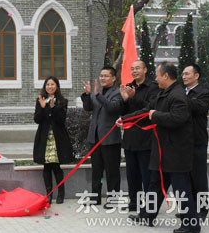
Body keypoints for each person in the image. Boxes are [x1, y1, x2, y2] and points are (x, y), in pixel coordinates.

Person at [126, 62, 200, 233]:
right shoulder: (163, 93)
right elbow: (146, 111)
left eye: (158, 75)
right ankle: (147, 216)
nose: (156, 78)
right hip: (163, 151)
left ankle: (192, 224)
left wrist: (156, 115)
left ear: (166, 76)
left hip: (176, 152)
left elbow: (178, 118)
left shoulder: (178, 95)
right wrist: (125, 119)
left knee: (181, 188)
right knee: (156, 186)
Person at [119, 60, 159, 212]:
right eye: (132, 68)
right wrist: (124, 99)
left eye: (137, 68)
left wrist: (134, 97)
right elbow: (124, 112)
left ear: (145, 69)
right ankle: (134, 202)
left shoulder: (153, 87)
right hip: (130, 138)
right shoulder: (130, 86)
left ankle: (149, 205)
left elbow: (149, 110)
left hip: (145, 138)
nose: (135, 71)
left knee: (146, 175)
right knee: (132, 174)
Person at [81, 66, 123, 208]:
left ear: (113, 78)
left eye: (106, 76)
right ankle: (95, 197)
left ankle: (113, 199)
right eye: (101, 75)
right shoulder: (96, 92)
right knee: (96, 170)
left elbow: (112, 107)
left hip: (110, 139)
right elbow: (88, 108)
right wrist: (87, 95)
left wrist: (98, 95)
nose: (103, 78)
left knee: (112, 171)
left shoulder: (117, 93)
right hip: (95, 137)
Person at [33, 76, 74, 204]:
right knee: (46, 167)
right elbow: (37, 119)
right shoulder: (40, 100)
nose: (49, 87)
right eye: (47, 84)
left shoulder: (62, 101)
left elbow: (61, 119)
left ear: (57, 86)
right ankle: (49, 194)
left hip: (57, 138)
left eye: (52, 84)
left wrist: (53, 108)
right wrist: (43, 107)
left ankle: (61, 194)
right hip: (45, 138)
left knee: (56, 167)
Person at [182, 64, 209, 218]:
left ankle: (202, 210)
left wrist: (181, 98)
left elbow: (198, 108)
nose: (184, 76)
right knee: (186, 178)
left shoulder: (204, 92)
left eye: (187, 74)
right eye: (183, 74)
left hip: (198, 141)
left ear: (196, 76)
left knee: (199, 178)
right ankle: (189, 210)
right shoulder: (182, 92)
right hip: (183, 142)